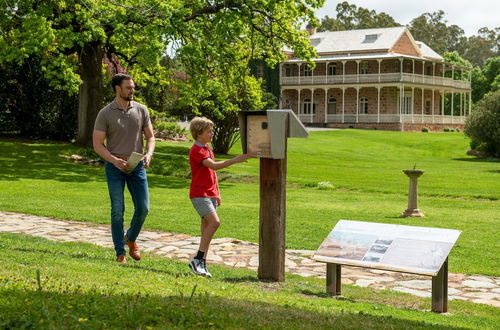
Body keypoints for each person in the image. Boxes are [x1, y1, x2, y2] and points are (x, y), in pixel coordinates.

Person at [93, 73, 155, 264]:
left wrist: (149, 154)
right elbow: (97, 144)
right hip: (115, 167)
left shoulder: (141, 109)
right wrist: (113, 160)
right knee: (117, 209)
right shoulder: (105, 113)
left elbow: (150, 137)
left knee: (143, 208)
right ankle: (120, 252)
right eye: (128, 87)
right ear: (117, 89)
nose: (132, 90)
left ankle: (131, 238)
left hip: (137, 167)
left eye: (133, 87)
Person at [188, 117, 256, 277]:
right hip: (200, 194)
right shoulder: (197, 151)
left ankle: (201, 264)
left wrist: (217, 193)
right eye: (209, 131)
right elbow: (214, 166)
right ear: (199, 133)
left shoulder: (207, 148)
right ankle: (197, 259)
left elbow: (212, 173)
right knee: (215, 223)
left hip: (210, 194)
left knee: (206, 228)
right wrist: (237, 159)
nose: (212, 133)